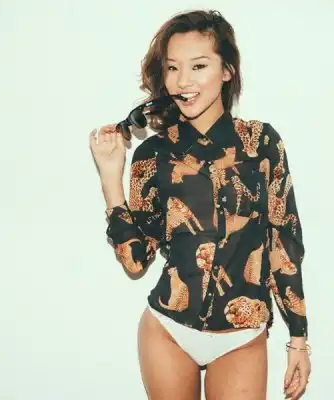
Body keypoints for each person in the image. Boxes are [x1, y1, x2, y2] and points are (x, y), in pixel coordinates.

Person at [89, 9, 311, 400]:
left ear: (227, 71)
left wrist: (298, 339)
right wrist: (111, 179)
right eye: (172, 68)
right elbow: (136, 261)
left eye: (198, 66)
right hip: (168, 331)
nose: (183, 81)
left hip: (242, 335)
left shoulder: (262, 144)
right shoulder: (152, 154)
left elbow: (284, 243)